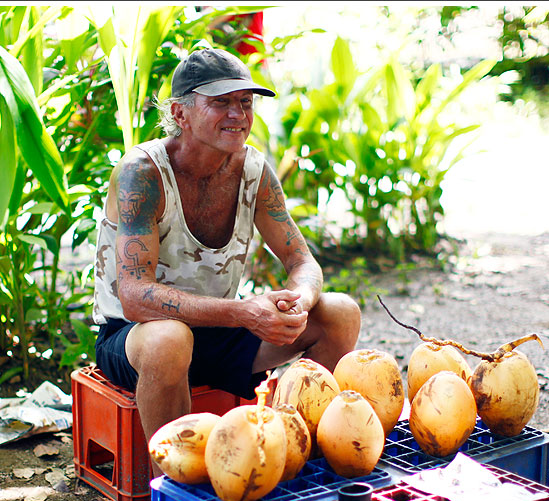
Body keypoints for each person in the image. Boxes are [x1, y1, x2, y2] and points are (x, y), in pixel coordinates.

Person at [92, 48, 362, 476]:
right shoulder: (142, 172)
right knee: (169, 339)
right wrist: (244, 312)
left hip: (220, 330)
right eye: (221, 102)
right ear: (180, 113)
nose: (238, 114)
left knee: (340, 312)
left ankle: (293, 456)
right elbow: (134, 298)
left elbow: (302, 261)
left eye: (245, 102)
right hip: (135, 339)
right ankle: (179, 491)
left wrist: (300, 300)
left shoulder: (253, 170)